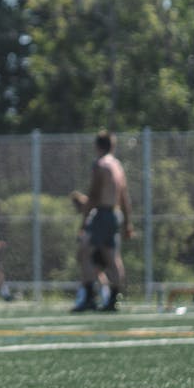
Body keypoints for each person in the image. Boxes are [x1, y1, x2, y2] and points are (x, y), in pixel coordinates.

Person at [73, 130, 133, 313]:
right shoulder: (118, 166)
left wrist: (84, 222)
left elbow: (93, 195)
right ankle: (114, 299)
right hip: (115, 214)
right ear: (112, 146)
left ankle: (89, 297)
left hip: (102, 213)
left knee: (84, 252)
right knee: (112, 257)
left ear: (97, 146)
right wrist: (128, 222)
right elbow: (124, 197)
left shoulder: (100, 165)